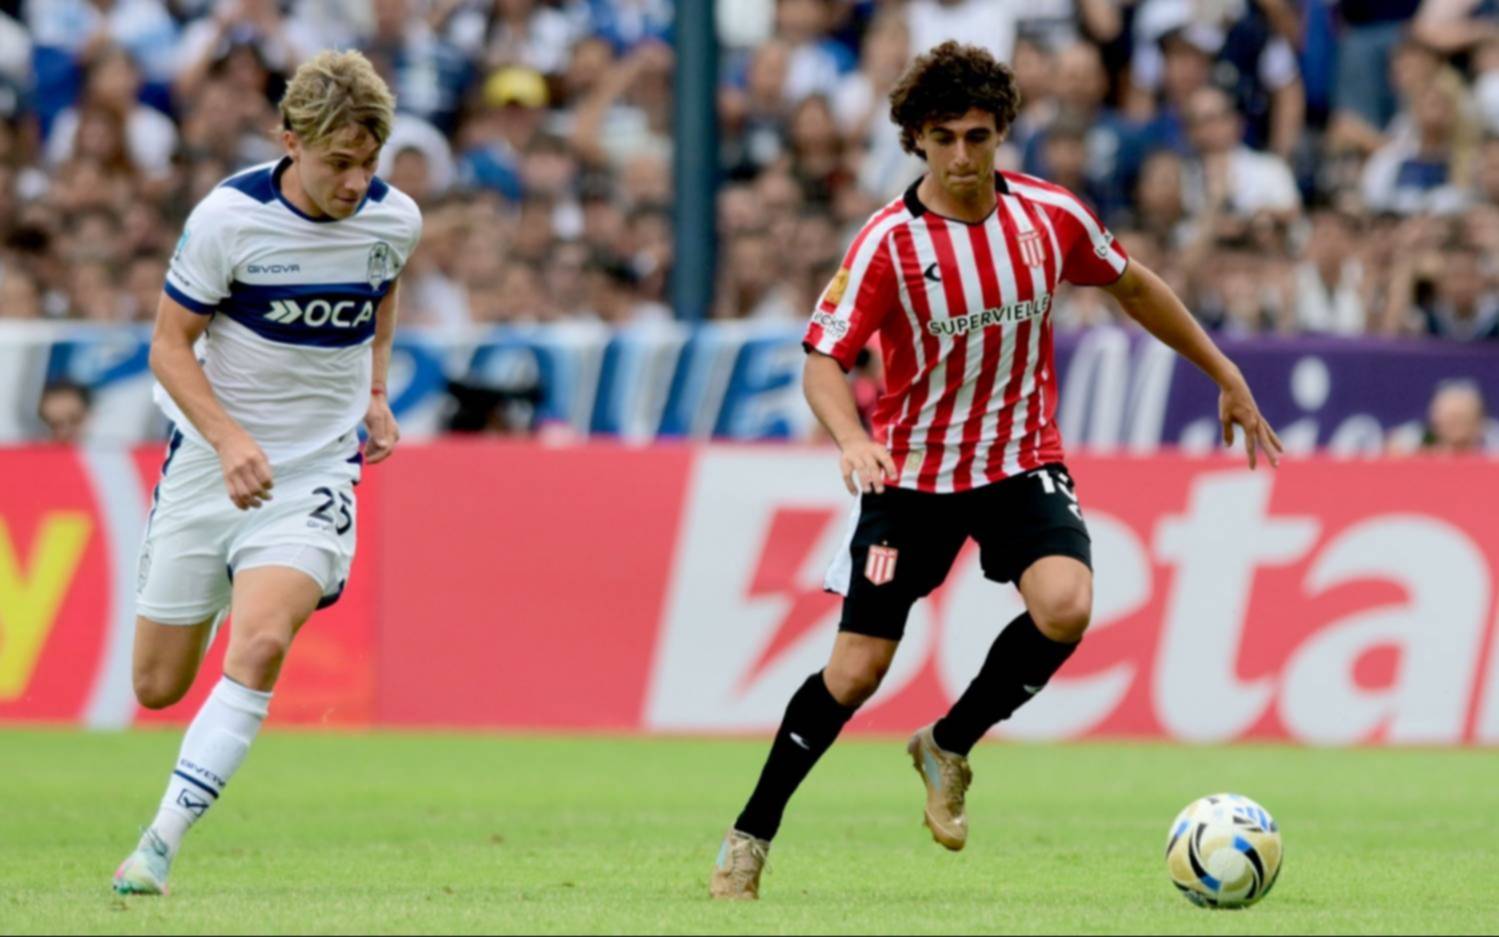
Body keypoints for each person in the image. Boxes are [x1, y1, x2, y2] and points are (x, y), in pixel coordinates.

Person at [710, 41, 1283, 901]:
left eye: (977, 136)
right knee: (855, 671)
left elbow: (1134, 286)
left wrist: (1224, 373)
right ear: (916, 139)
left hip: (1019, 459)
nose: (961, 156)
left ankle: (947, 743)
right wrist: (851, 438)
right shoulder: (887, 243)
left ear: (1001, 132)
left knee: (1066, 604)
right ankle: (749, 836)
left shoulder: (1048, 216)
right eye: (942, 138)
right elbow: (822, 359)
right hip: (911, 474)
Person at [111, 49, 423, 896]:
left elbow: (382, 290)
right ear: (290, 142)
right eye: (338, 162)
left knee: (260, 643)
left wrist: (375, 392)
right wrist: (227, 440)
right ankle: (228, 575)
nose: (355, 182)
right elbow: (168, 347)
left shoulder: (394, 220)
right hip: (211, 465)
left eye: (368, 163)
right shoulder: (229, 219)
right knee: (156, 685)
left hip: (315, 469)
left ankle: (157, 847)